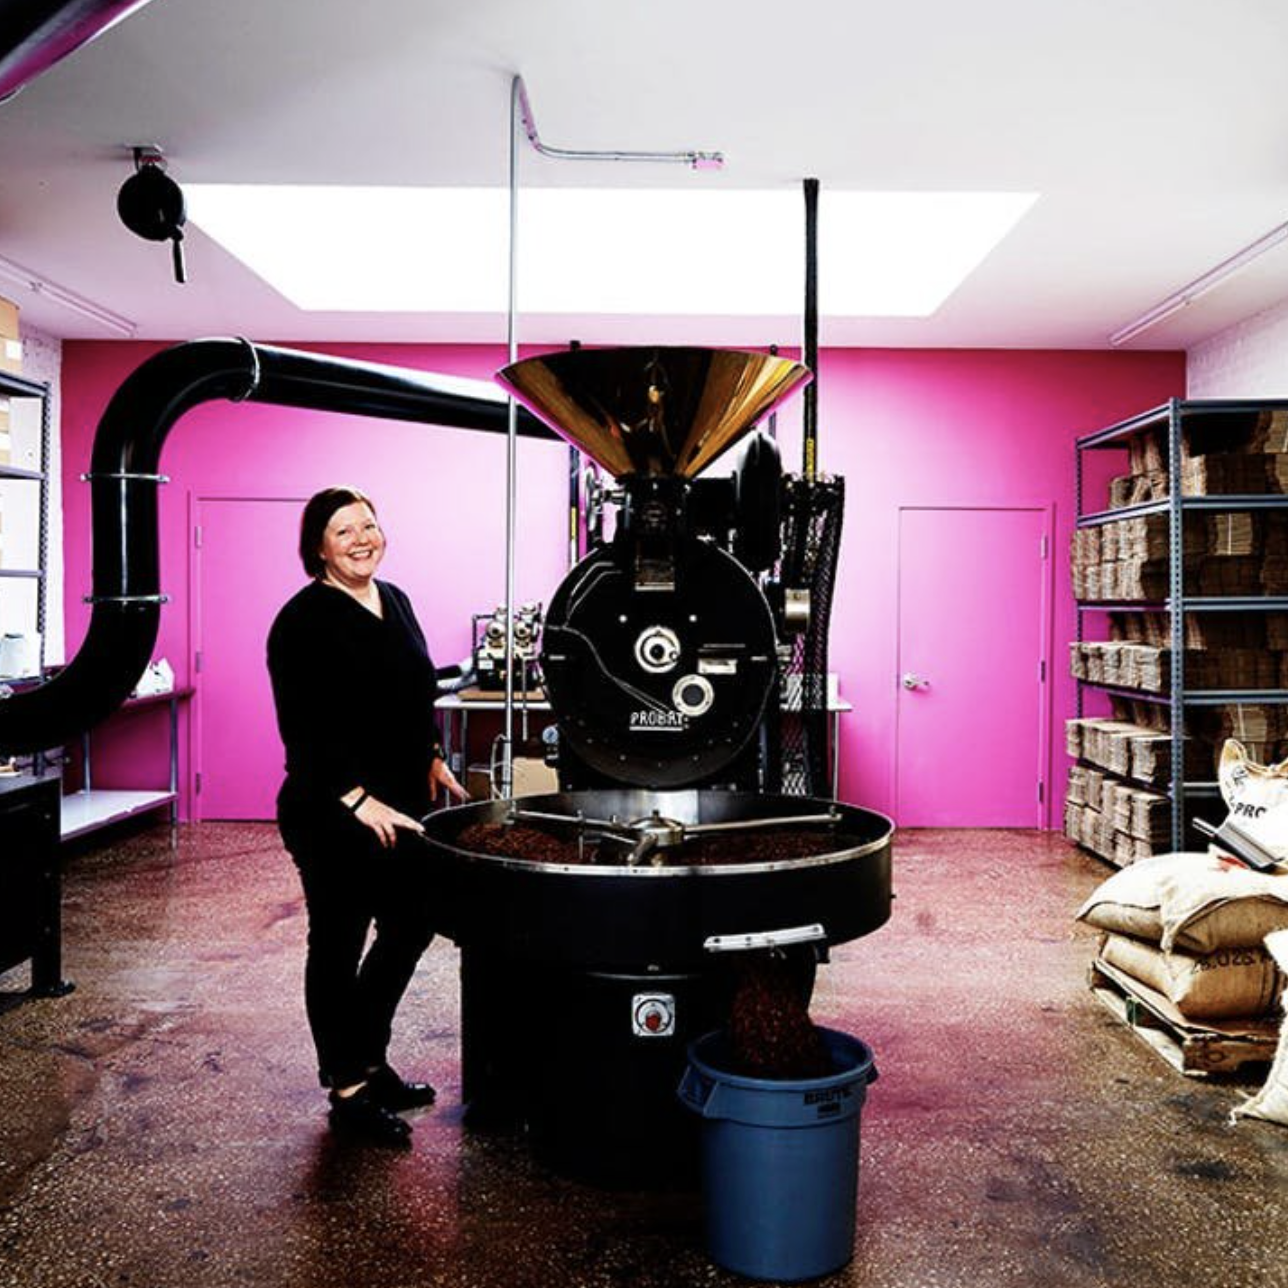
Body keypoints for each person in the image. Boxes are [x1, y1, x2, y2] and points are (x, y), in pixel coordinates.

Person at [267, 485, 467, 1147]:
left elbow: (415, 693)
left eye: (369, 526)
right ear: (319, 548)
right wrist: (356, 798)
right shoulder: (301, 622)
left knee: (412, 923)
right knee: (337, 941)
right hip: (330, 813)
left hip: (401, 805)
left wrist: (432, 755)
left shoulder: (396, 599)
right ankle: (349, 1088)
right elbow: (304, 729)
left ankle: (370, 1057)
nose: (361, 540)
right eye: (344, 531)